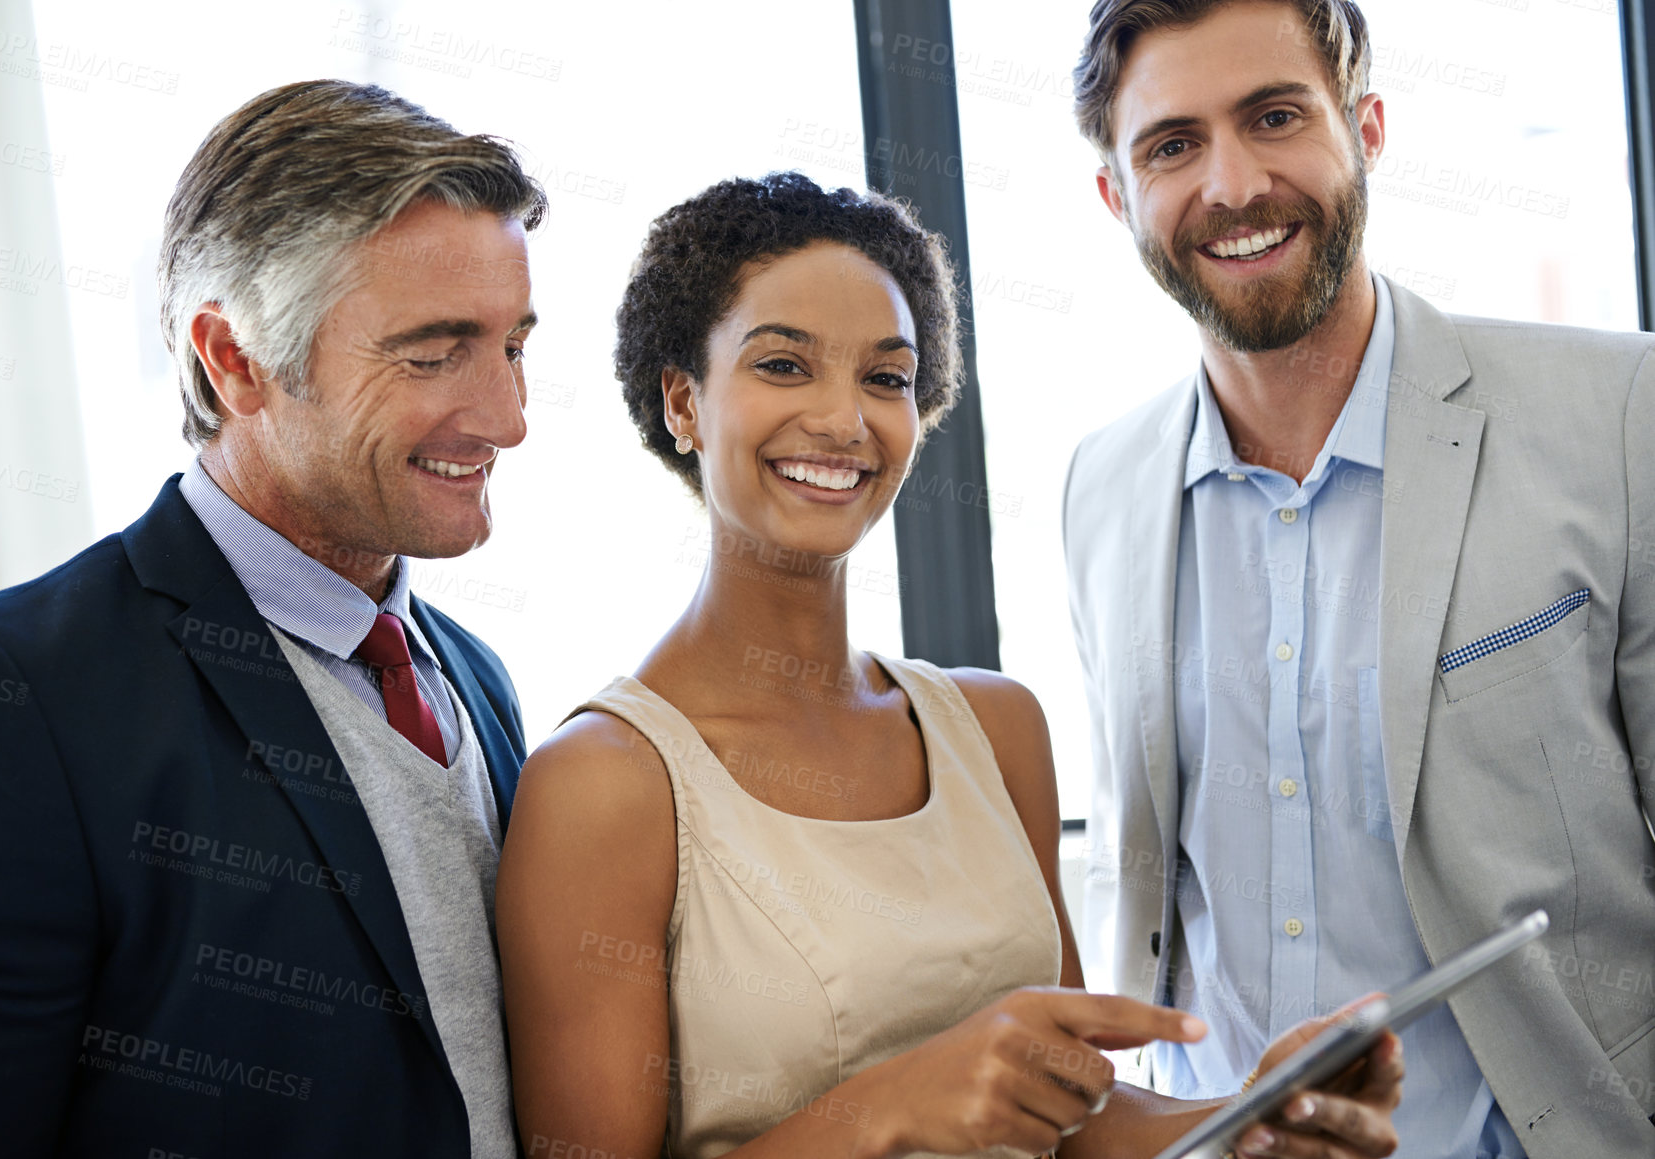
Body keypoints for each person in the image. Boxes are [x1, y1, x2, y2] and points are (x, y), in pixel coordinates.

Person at [498, 171, 1401, 1159]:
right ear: (683, 399)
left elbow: (1071, 1116)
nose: (844, 419)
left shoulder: (994, 728)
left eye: (885, 377)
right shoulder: (605, 784)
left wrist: (1240, 1126)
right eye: (785, 366)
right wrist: (888, 1106)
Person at [1061, 1, 1655, 1155]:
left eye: (1275, 116)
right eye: (1171, 146)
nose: (1232, 186)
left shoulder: (1619, 416)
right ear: (1116, 194)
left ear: (1367, 128)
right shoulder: (1102, 486)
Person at [0, 80, 544, 1157]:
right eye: (433, 351)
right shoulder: (3, 703)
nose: (507, 416)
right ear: (234, 358)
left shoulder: (475, 680)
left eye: (513, 345)